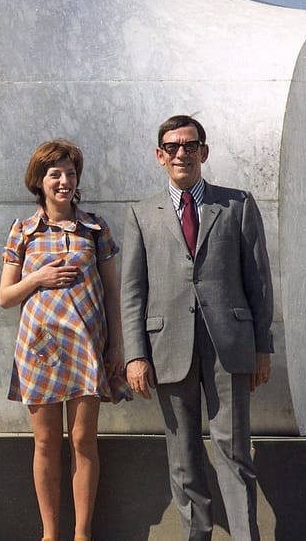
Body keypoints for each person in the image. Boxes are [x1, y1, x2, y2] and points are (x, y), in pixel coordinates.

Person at [120, 115, 274, 540]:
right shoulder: (141, 214)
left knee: (234, 451)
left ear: (203, 152)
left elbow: (258, 281)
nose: (181, 154)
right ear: (159, 155)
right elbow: (132, 289)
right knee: (184, 458)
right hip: (168, 346)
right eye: (172, 147)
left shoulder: (237, 205)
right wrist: (135, 354)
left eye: (190, 146)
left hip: (231, 345)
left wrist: (263, 348)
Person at [0, 139, 129, 541]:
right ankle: (50, 534)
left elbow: (112, 290)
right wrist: (37, 278)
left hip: (86, 347)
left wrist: (117, 345)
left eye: (71, 173)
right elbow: (5, 297)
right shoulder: (23, 230)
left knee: (82, 439)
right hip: (39, 350)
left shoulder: (95, 228)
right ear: (39, 180)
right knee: (45, 442)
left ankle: (83, 534)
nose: (64, 181)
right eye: (55, 173)